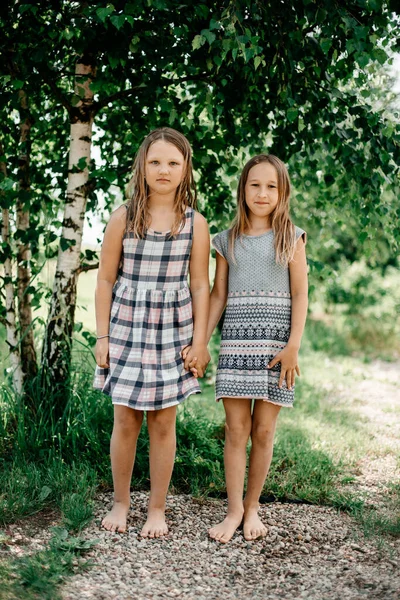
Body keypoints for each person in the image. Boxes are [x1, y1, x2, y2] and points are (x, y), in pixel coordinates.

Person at [93, 127, 210, 537]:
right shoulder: (123, 216)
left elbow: (200, 284)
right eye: (156, 161)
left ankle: (156, 508)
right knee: (125, 419)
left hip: (172, 332)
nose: (164, 170)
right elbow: (106, 279)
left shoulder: (196, 223)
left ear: (185, 169)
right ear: (142, 167)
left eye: (173, 163)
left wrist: (199, 341)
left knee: (163, 421)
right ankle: (121, 502)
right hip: (126, 328)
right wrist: (102, 337)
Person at [185, 154, 308, 543]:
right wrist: (200, 341)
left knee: (264, 430)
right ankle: (234, 509)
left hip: (276, 349)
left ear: (282, 192)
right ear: (243, 189)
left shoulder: (292, 236)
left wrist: (293, 346)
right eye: (255, 184)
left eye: (271, 186)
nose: (262, 193)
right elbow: (218, 293)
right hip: (237, 345)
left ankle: (253, 506)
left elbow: (301, 294)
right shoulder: (226, 240)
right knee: (236, 429)